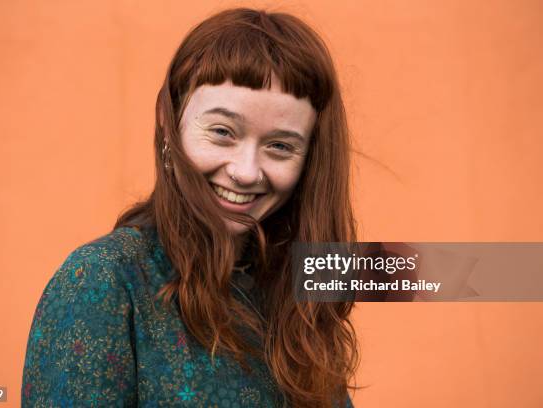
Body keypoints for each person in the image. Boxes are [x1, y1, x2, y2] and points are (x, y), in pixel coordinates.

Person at [22, 7, 357, 407]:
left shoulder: (300, 287)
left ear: (310, 160)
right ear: (169, 121)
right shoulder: (102, 280)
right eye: (221, 132)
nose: (246, 172)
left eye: (280, 146)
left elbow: (437, 273)